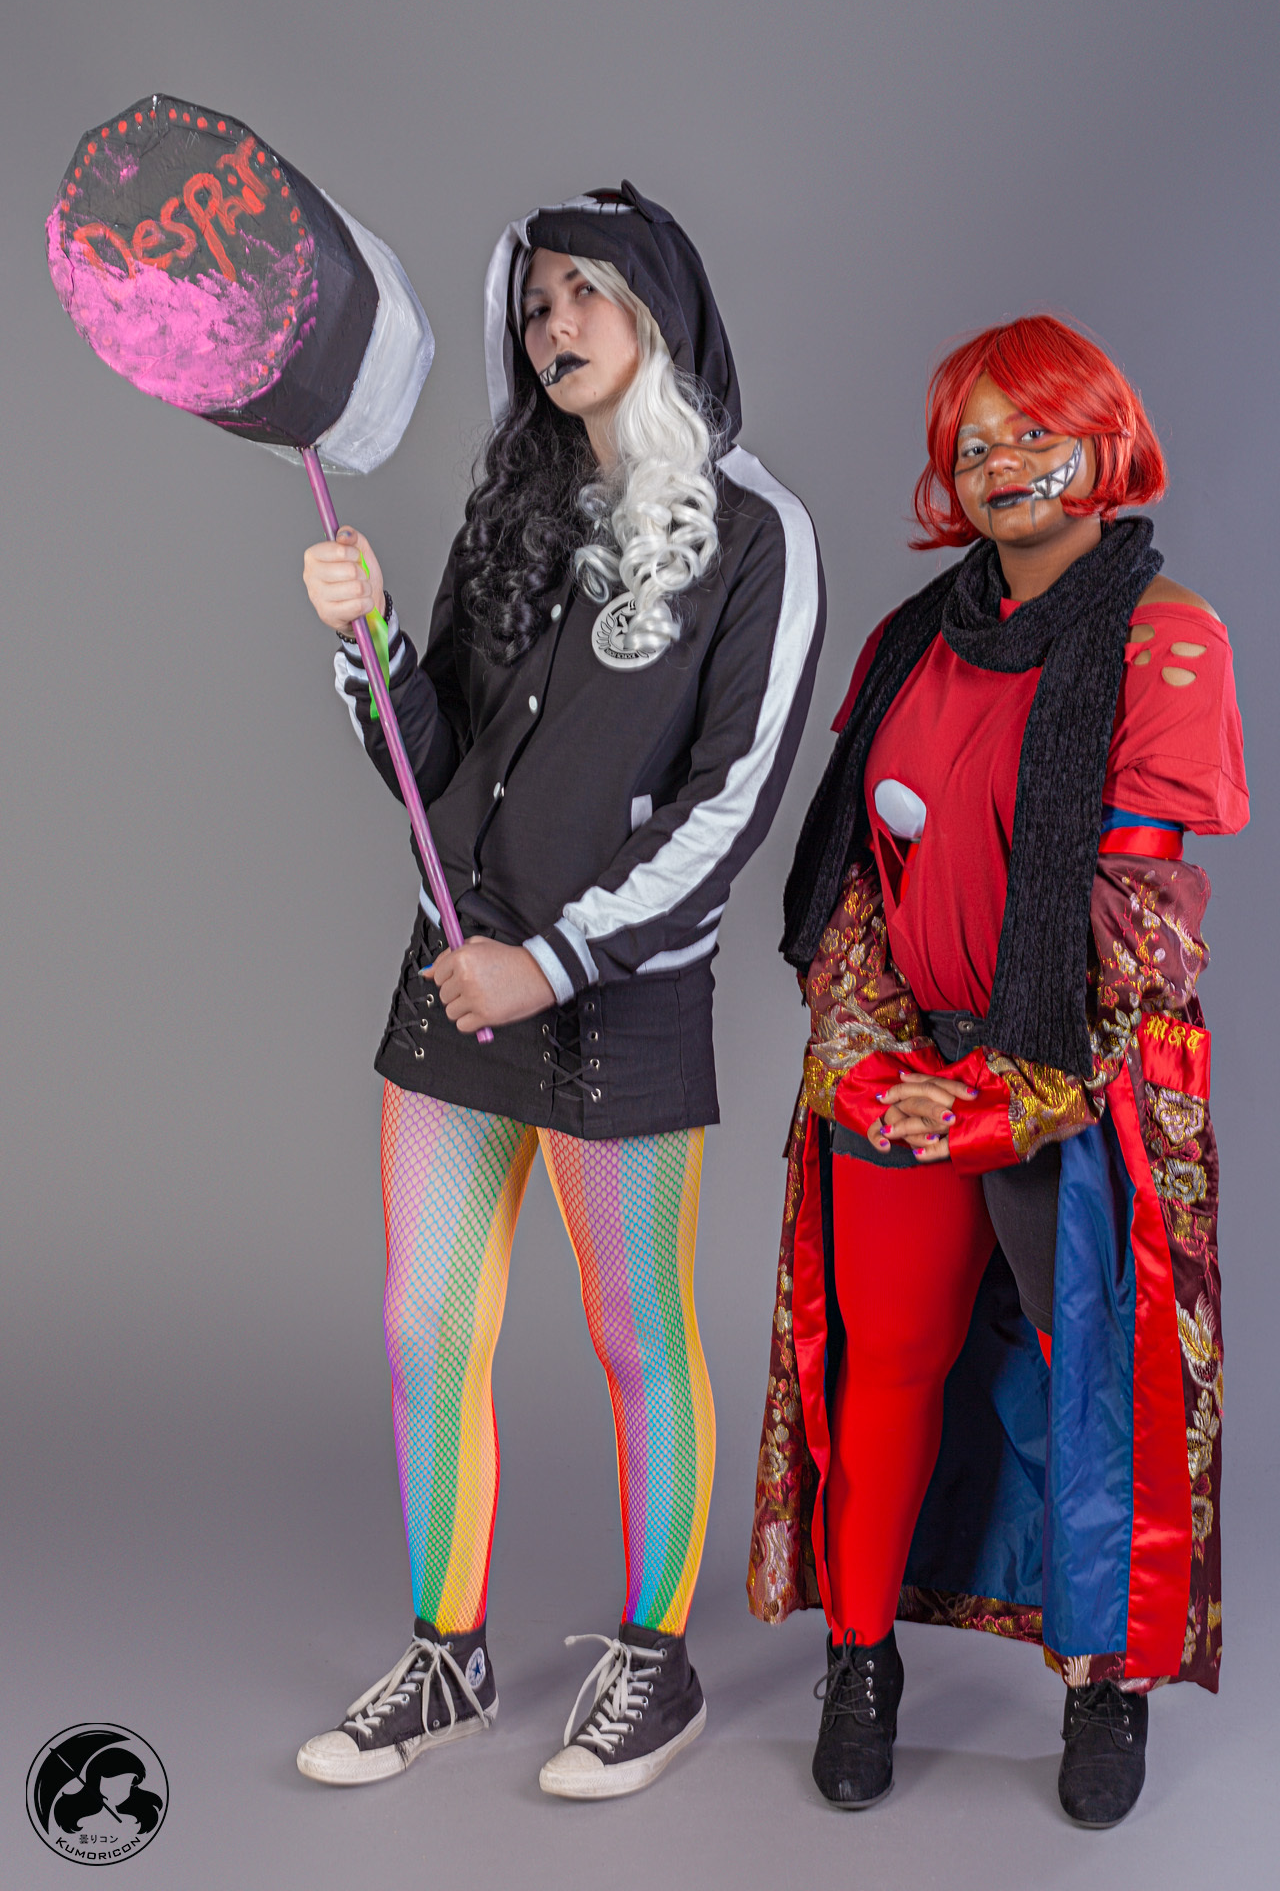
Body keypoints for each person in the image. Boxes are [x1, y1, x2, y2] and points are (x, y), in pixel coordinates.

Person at [295, 182, 824, 1798]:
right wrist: (371, 646)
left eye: (589, 292)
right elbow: (432, 766)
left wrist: (555, 961)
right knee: (424, 1327)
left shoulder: (758, 536)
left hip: (616, 1002)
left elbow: (732, 804)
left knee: (635, 1336)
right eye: (536, 304)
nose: (555, 325)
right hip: (459, 983)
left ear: (661, 312)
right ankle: (446, 1659)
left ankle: (655, 1668)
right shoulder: (515, 515)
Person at [747, 314, 1247, 1825]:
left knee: (1095, 1383)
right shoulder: (913, 638)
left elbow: (1140, 918)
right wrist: (866, 1059)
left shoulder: (1168, 639)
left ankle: (1105, 1691)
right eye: (972, 443)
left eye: (1035, 430)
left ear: (1107, 439)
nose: (1001, 462)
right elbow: (857, 872)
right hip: (902, 1060)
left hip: (1082, 1084)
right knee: (884, 1364)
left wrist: (1006, 1096)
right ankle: (859, 1662)